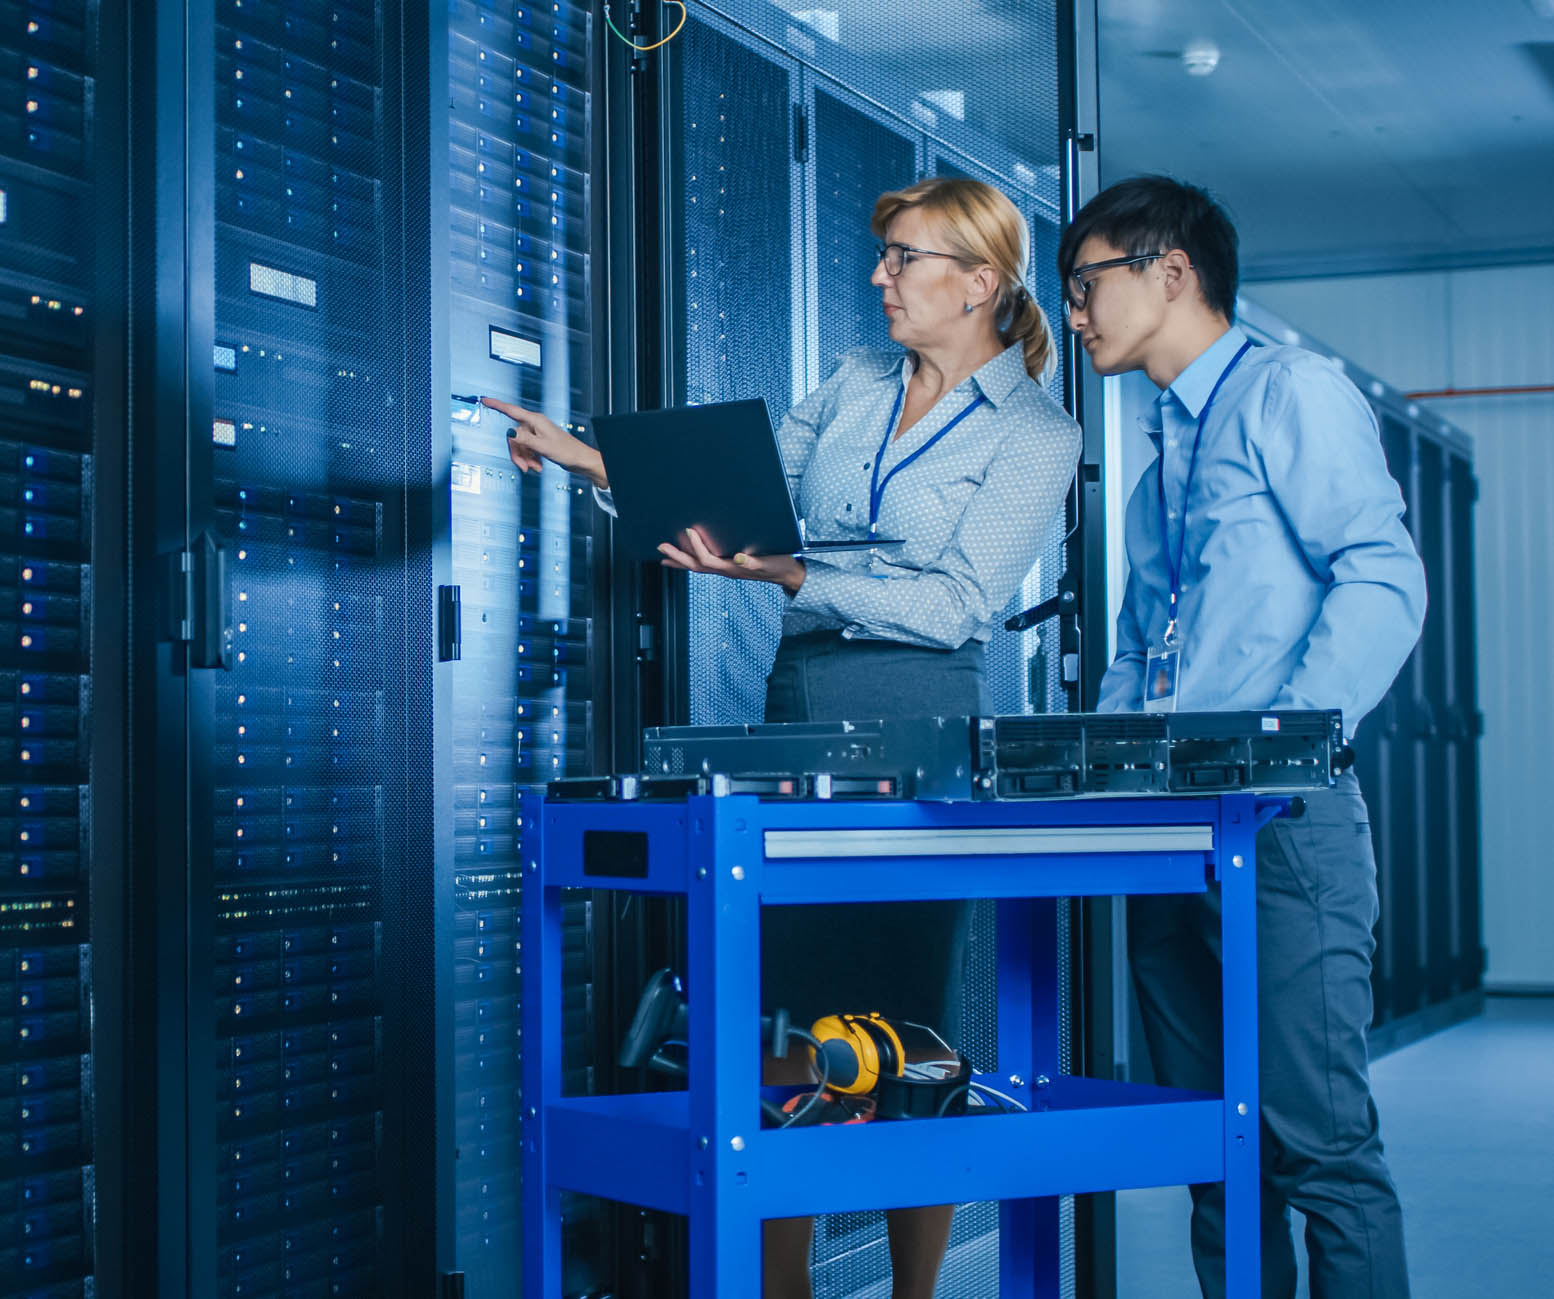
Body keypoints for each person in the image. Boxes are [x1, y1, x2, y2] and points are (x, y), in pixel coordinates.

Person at [484, 175, 1081, 1299]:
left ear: (980, 281)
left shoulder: (1038, 432)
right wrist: (583, 457)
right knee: (781, 1009)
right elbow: (739, 496)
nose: (879, 278)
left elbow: (957, 602)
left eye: (902, 258)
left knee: (902, 1023)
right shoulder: (855, 381)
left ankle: (914, 1290)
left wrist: (797, 570)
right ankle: (785, 1287)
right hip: (795, 703)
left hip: (918, 717)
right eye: (884, 256)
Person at [1062, 174, 1425, 1298]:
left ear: (1170, 273)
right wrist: (1098, 773)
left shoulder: (1290, 395)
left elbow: (1382, 575)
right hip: (1167, 833)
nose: (1074, 313)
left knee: (1321, 1152)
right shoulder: (1157, 469)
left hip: (1283, 826)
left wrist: (1291, 742)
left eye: (1086, 285)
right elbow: (1136, 655)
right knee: (1218, 1155)